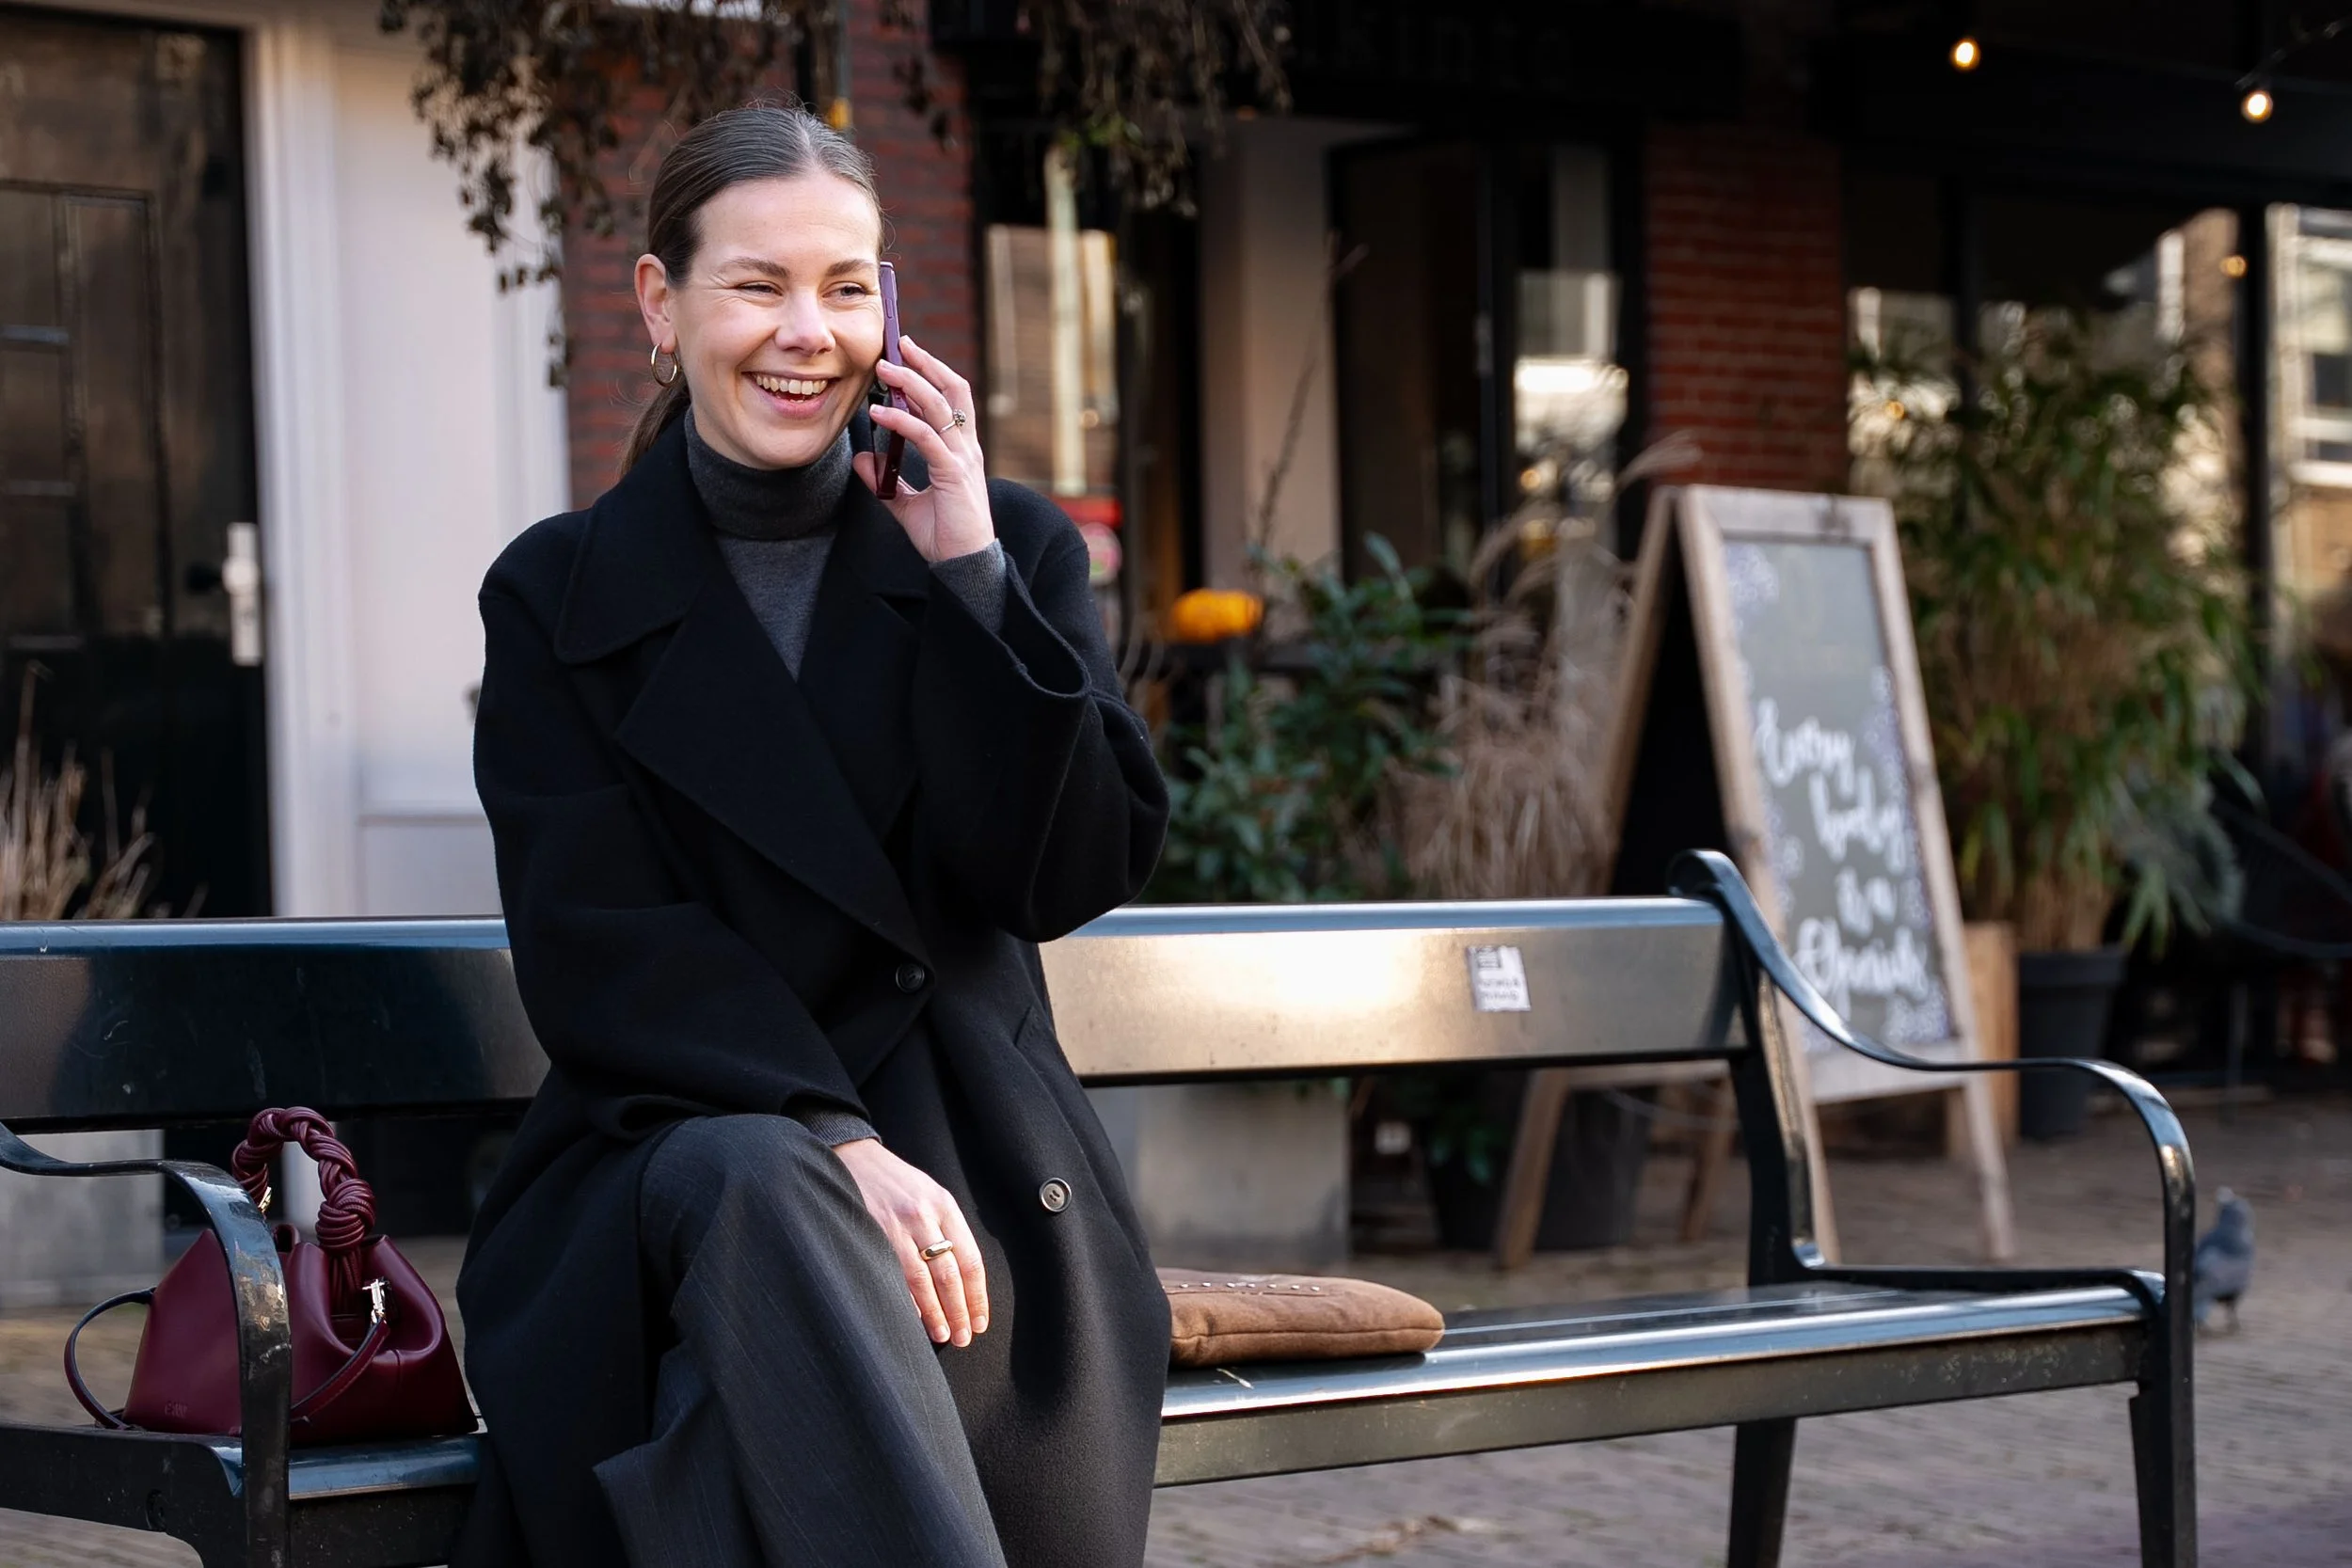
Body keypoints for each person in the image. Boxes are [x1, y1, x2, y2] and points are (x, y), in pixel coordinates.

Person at [453, 103, 1171, 1568]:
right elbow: (604, 952)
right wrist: (831, 1132)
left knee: (717, 1448)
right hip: (658, 1168)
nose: (809, 332)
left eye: (849, 287)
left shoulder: (1003, 543)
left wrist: (969, 574)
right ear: (661, 306)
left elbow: (1071, 872)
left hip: (966, 1176)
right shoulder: (557, 594)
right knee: (761, 1178)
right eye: (758, 285)